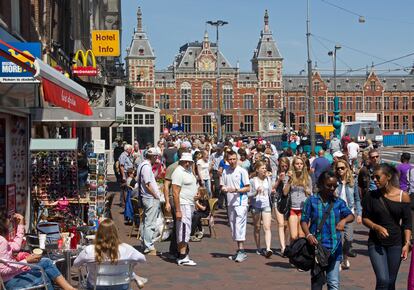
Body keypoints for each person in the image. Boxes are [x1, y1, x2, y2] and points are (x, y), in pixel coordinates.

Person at [301, 170, 354, 290]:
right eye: (328, 185)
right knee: (317, 283)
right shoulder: (311, 201)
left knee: (333, 283)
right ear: (320, 185)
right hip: (317, 247)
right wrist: (308, 235)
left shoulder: (339, 202)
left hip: (335, 247)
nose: (332, 188)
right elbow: (304, 220)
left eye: (334, 186)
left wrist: (344, 221)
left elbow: (350, 215)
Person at [362, 163, 412, 290]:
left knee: (390, 282)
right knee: (383, 279)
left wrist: (406, 243)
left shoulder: (403, 196)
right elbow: (365, 218)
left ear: (388, 177)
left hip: (396, 242)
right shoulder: (371, 195)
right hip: (376, 242)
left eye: (378, 177)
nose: (374, 180)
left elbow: (407, 223)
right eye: (373, 177)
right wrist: (376, 227)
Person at [0, 213, 75, 290]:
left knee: (46, 262)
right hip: (10, 280)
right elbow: (3, 270)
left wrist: (21, 224)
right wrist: (26, 261)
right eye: (9, 217)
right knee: (44, 276)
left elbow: (15, 247)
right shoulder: (1, 241)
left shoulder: (3, 239)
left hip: (13, 274)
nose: (11, 220)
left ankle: (69, 289)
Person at [73, 218, 146, 289]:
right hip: (121, 286)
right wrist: (132, 263)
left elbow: (76, 264)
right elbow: (143, 259)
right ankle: (135, 277)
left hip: (96, 286)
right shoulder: (127, 249)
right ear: (115, 233)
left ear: (98, 233)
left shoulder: (89, 250)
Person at [221, 150, 251, 263]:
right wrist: (224, 188)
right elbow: (223, 184)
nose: (232, 161)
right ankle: (239, 250)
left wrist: (236, 190)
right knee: (233, 227)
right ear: (227, 160)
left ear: (237, 159)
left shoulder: (242, 171)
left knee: (239, 225)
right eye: (230, 159)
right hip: (230, 202)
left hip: (241, 202)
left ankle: (242, 251)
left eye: (234, 159)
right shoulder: (225, 171)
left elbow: (247, 188)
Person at [333, 160, 362, 269]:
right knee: (338, 239)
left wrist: (359, 213)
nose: (340, 170)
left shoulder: (353, 182)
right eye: (338, 168)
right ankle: (339, 259)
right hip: (337, 213)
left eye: (342, 168)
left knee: (349, 239)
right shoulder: (334, 181)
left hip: (349, 213)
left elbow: (357, 199)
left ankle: (345, 255)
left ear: (347, 169)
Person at [172, 152, 198, 266]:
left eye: (189, 161)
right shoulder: (178, 172)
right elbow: (175, 192)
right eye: (185, 161)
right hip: (183, 204)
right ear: (181, 161)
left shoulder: (189, 171)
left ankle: (183, 254)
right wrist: (178, 210)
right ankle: (182, 256)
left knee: (185, 229)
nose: (187, 163)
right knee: (183, 229)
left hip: (189, 203)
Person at [136, 148, 162, 255]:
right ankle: (148, 246)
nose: (157, 158)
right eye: (156, 156)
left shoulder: (143, 165)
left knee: (146, 222)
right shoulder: (146, 167)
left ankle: (145, 243)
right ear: (152, 156)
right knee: (150, 222)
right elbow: (147, 184)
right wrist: (155, 195)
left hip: (147, 197)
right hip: (149, 197)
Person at [162, 148, 186, 261]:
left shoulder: (189, 167)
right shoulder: (172, 168)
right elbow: (166, 186)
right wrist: (167, 201)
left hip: (185, 200)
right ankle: (175, 250)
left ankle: (180, 249)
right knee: (178, 225)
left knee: (182, 225)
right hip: (174, 198)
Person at [283, 156, 312, 240]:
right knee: (293, 236)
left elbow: (310, 193)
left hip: (303, 209)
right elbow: (285, 193)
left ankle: (299, 252)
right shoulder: (289, 177)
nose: (299, 165)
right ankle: (292, 251)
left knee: (301, 235)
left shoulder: (307, 178)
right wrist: (289, 181)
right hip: (292, 208)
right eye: (297, 164)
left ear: (303, 166)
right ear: (293, 165)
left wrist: (305, 187)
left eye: (301, 164)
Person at [249, 160, 273, 258]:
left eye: (265, 168)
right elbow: (248, 194)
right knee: (257, 227)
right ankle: (258, 247)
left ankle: (268, 248)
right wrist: (256, 192)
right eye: (262, 168)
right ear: (257, 169)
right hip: (255, 206)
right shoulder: (252, 180)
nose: (264, 170)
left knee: (267, 227)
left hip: (266, 204)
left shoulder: (268, 179)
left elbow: (270, 192)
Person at [273, 157, 290, 256]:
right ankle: (283, 247)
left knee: (286, 225)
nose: (284, 168)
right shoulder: (276, 173)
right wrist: (279, 180)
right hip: (278, 200)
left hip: (288, 201)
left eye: (286, 166)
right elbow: (273, 187)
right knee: (280, 224)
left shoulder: (290, 174)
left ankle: (286, 243)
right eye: (282, 166)